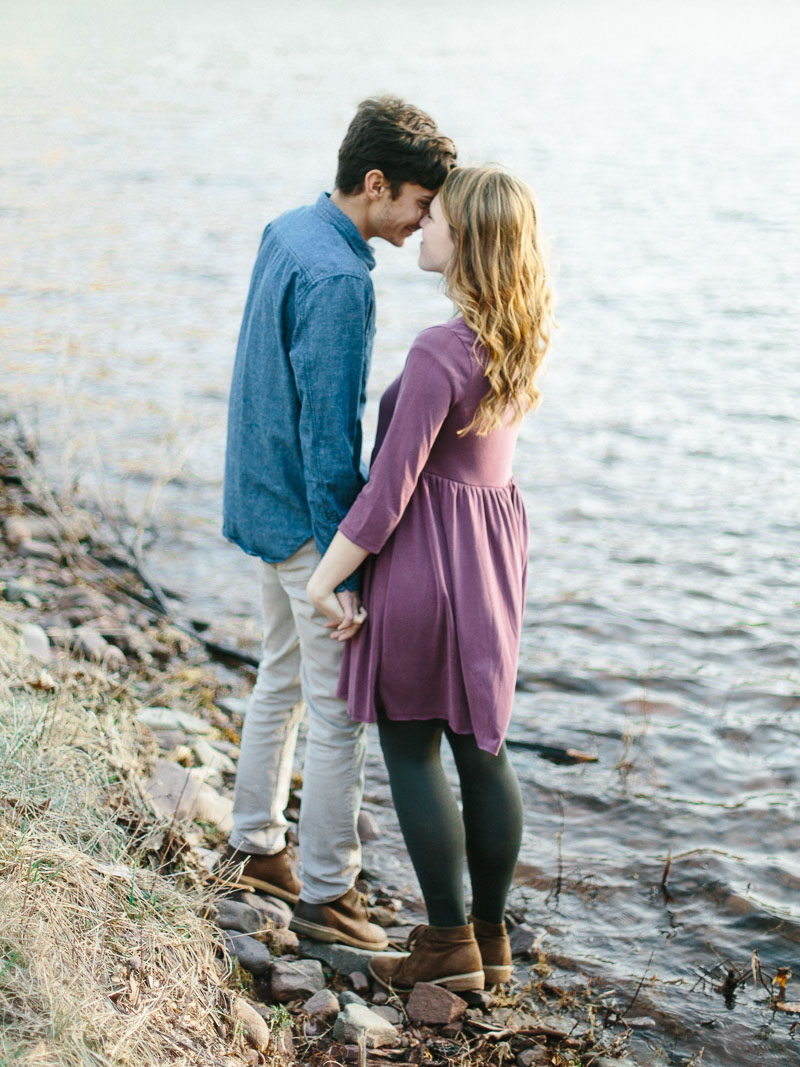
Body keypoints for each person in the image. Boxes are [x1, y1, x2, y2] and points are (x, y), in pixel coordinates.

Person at [307, 166, 555, 988]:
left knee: (411, 748)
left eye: (438, 218)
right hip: (489, 570)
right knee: (484, 750)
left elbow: (390, 490)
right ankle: (492, 939)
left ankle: (448, 946)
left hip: (423, 567)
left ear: (470, 243)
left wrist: (325, 579)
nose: (423, 227)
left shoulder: (440, 349)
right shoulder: (516, 342)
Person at [221, 97, 456, 951]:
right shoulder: (341, 280)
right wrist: (344, 572)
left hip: (259, 495)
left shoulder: (288, 229)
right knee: (337, 710)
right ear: (374, 183)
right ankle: (328, 892)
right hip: (308, 520)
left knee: (278, 677)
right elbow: (331, 438)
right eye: (419, 204)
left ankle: (254, 845)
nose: (424, 221)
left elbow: (261, 383)